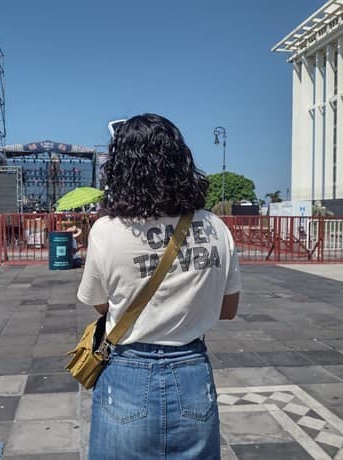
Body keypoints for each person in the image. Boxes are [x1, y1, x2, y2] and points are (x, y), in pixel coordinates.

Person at [77, 114, 241, 459]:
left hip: (127, 374)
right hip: (193, 372)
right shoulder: (215, 227)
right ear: (181, 161)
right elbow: (228, 309)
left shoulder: (107, 231)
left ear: (120, 167)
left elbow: (99, 304)